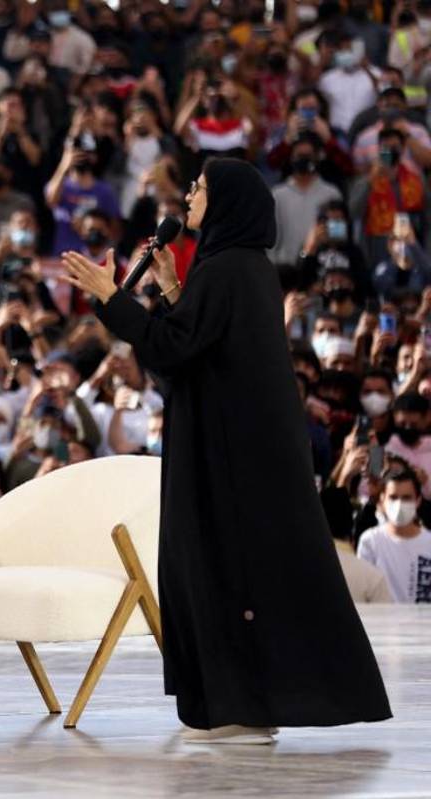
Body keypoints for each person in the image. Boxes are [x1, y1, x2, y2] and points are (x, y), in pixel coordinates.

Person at [61, 158, 391, 742]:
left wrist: (113, 297)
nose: (189, 195)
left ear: (229, 202)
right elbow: (201, 345)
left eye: (200, 187)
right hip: (238, 448)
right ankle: (245, 704)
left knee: (222, 571)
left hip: (228, 456)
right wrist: (171, 288)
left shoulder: (227, 269)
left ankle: (239, 706)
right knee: (235, 572)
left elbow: (174, 347)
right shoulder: (242, 267)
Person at [355, 469, 430, 603]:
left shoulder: (428, 542)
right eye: (393, 497)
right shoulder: (370, 541)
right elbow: (363, 590)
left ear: (418, 501)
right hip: (381, 616)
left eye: (406, 498)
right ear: (382, 499)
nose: (399, 504)